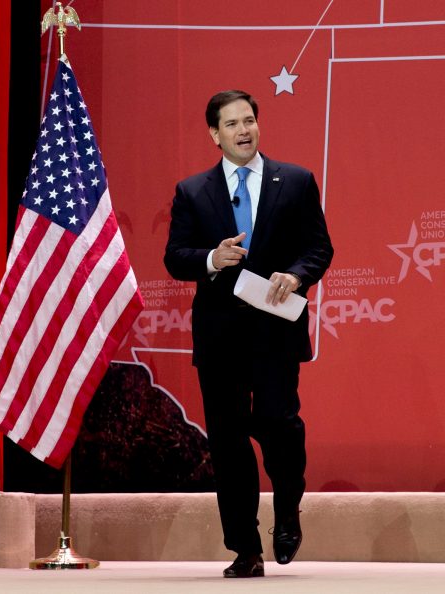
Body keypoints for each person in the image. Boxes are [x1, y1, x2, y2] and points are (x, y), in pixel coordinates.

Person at [163, 90, 334, 578]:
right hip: (220, 336)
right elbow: (176, 257)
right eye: (232, 124)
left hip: (275, 328)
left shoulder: (296, 181)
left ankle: (286, 511)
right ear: (214, 135)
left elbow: (319, 247)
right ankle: (244, 547)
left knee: (280, 426)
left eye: (250, 121)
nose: (244, 130)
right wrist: (211, 259)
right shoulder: (192, 191)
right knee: (228, 440)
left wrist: (297, 275)